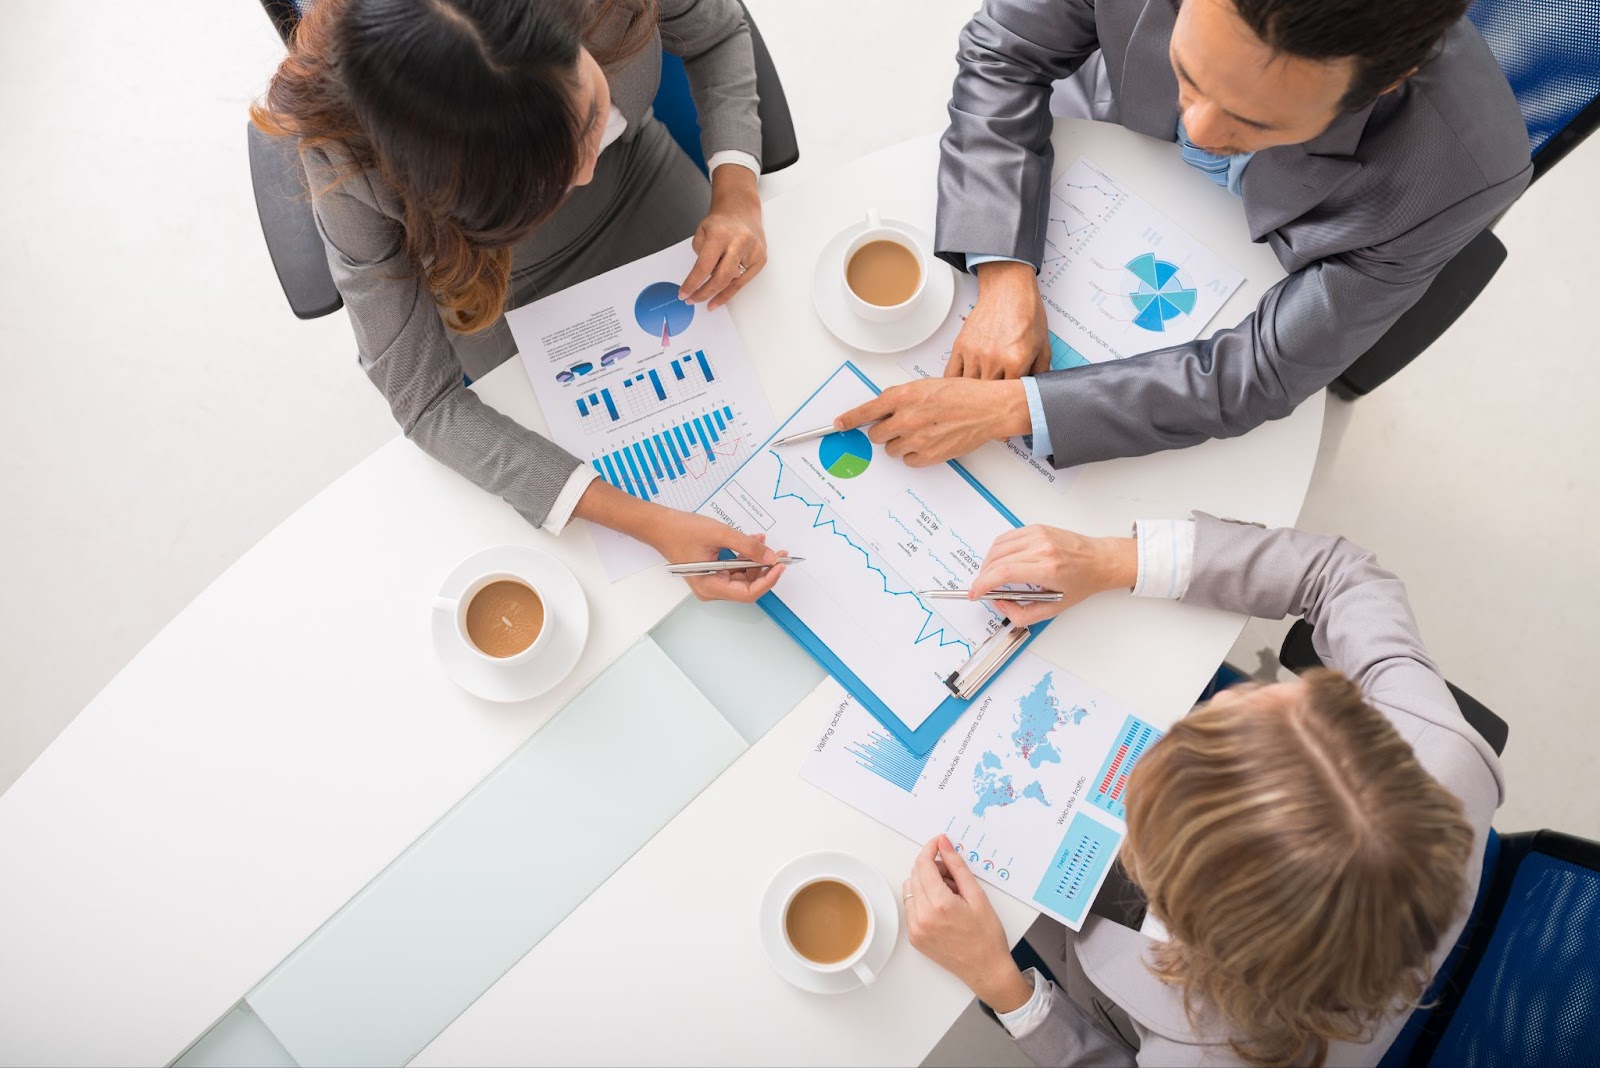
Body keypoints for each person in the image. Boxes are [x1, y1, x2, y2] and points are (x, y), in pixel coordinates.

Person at [831, 0, 1533, 470]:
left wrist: (1016, 408)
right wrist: (1006, 273)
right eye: (1189, 76)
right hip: (1090, 147)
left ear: (1387, 85)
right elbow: (1005, 51)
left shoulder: (1465, 170)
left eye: (1256, 124)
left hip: (1254, 269)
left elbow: (1265, 370)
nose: (1197, 131)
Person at [902, 516, 1502, 1065]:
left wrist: (1006, 989)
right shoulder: (1437, 740)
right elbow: (1338, 575)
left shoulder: (1203, 1055)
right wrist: (1118, 560)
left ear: (1164, 894)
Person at [251, 0, 783, 600]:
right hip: (485, 281)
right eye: (546, 178)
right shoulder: (352, 162)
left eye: (587, 121)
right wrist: (647, 523)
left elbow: (717, 34)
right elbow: (425, 401)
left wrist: (738, 192)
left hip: (638, 181)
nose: (584, 172)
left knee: (779, 365)